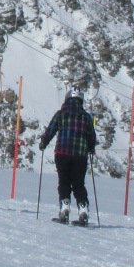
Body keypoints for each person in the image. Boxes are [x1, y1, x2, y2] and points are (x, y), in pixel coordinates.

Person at [39, 86, 99, 224]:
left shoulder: (61, 114)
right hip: (80, 155)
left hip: (62, 153)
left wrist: (44, 142)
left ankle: (64, 208)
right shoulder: (86, 117)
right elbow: (91, 136)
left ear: (67, 99)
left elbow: (51, 130)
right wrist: (90, 148)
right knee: (79, 184)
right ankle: (83, 210)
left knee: (64, 181)